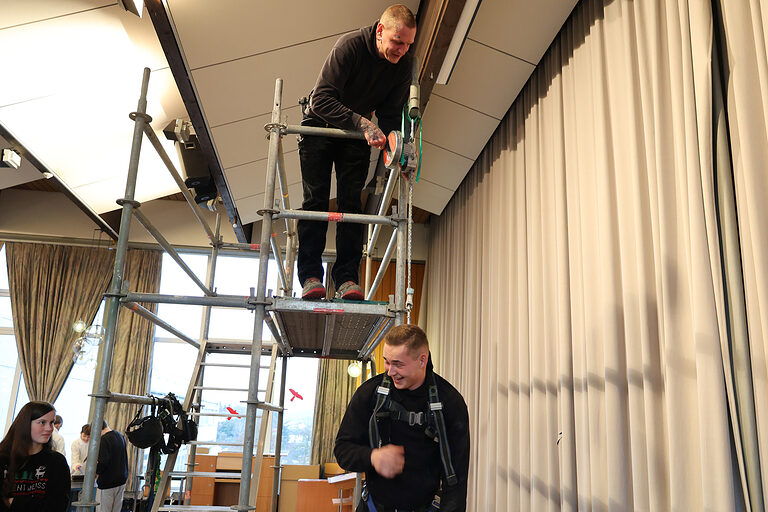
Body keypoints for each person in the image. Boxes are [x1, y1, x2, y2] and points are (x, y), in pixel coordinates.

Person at [298, 4, 417, 301]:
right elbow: (320, 100)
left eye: (408, 44)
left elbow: (389, 116)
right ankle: (311, 276)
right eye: (397, 42)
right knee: (316, 200)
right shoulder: (349, 46)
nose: (402, 50)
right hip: (320, 127)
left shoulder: (402, 65)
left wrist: (399, 150)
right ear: (380, 31)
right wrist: (363, 122)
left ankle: (347, 279)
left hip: (354, 133)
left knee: (352, 205)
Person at [334, 324, 469, 511]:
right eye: (386, 362)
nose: (390, 372)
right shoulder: (370, 394)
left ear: (422, 361)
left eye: (398, 364)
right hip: (375, 505)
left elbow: (457, 480)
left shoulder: (449, 402)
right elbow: (342, 450)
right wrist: (373, 457)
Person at [0, 401, 71, 511]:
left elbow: (57, 506)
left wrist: (14, 502)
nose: (49, 428)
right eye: (42, 422)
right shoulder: (3, 458)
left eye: (51, 422)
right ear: (25, 424)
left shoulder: (57, 462)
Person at [95, 421, 128, 512]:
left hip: (107, 483)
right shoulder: (119, 435)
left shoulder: (104, 440)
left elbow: (102, 462)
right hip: (121, 480)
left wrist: (95, 471)